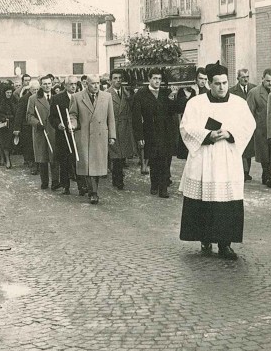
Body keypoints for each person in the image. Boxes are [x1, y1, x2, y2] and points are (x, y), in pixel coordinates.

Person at [178, 62, 256, 260]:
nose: (222, 88)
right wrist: (207, 134)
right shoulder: (196, 103)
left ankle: (225, 244)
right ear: (209, 84)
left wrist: (230, 132)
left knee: (227, 202)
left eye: (225, 83)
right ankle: (205, 238)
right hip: (204, 157)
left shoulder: (239, 103)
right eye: (217, 84)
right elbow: (185, 127)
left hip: (227, 158)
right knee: (204, 199)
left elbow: (249, 125)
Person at [69, 75, 116, 204]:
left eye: (98, 83)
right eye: (92, 84)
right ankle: (93, 192)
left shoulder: (107, 97)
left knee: (98, 166)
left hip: (100, 135)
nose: (96, 86)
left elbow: (111, 117)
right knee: (88, 165)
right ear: (86, 84)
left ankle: (92, 189)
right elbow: (73, 114)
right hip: (84, 135)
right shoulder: (77, 97)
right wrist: (72, 124)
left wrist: (112, 135)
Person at [132, 68, 178, 198]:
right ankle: (154, 184)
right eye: (155, 78)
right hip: (150, 132)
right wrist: (139, 136)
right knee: (153, 160)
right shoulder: (141, 94)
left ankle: (163, 189)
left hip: (165, 133)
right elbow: (136, 117)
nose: (157, 81)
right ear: (149, 79)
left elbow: (173, 111)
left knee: (164, 160)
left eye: (159, 79)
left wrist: (173, 98)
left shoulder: (165, 93)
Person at [49, 75, 85, 195]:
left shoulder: (81, 97)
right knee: (64, 161)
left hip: (78, 133)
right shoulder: (57, 98)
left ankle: (82, 186)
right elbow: (52, 117)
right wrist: (59, 125)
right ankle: (65, 186)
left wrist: (77, 126)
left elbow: (84, 117)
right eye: (71, 84)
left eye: (75, 84)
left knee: (78, 160)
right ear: (65, 85)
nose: (74, 86)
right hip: (63, 135)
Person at [247, 69, 271, 187]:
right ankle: (267, 175)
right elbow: (249, 112)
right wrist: (253, 127)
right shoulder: (254, 93)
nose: (270, 83)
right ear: (262, 79)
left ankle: (268, 174)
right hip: (261, 129)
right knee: (265, 155)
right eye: (267, 81)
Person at [27, 74, 58, 190]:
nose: (47, 86)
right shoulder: (33, 99)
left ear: (52, 84)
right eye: (44, 84)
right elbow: (29, 116)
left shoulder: (57, 96)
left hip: (54, 131)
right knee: (43, 157)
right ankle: (44, 182)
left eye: (49, 83)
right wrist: (37, 123)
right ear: (41, 85)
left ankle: (55, 181)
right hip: (41, 132)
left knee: (54, 157)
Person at [108, 69, 136, 190]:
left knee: (122, 155)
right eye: (115, 78)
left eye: (120, 78)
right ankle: (117, 179)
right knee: (116, 155)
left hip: (125, 127)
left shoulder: (127, 93)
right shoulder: (106, 94)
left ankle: (118, 177)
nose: (118, 80)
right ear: (110, 80)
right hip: (113, 126)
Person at [229, 68, 256, 181]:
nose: (245, 79)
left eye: (247, 77)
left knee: (249, 148)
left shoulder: (253, 89)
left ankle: (247, 172)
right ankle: (241, 171)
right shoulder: (232, 91)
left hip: (249, 122)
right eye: (243, 77)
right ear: (238, 78)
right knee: (240, 148)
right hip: (237, 123)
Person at [13, 78, 39, 173]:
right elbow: (19, 114)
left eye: (37, 90)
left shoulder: (40, 98)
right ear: (29, 89)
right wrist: (17, 128)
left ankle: (37, 164)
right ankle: (32, 165)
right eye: (33, 90)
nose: (35, 92)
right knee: (29, 146)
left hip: (37, 125)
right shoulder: (24, 99)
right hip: (26, 126)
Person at [0, 83, 18, 168]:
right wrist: (3, 118)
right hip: (3, 125)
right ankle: (7, 160)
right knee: (4, 143)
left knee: (11, 143)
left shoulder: (14, 100)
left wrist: (12, 118)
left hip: (12, 124)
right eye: (7, 93)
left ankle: (6, 157)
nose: (9, 94)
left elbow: (17, 111)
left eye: (10, 93)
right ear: (4, 93)